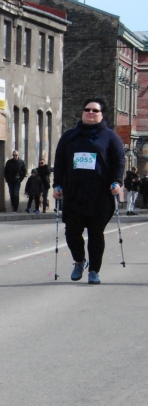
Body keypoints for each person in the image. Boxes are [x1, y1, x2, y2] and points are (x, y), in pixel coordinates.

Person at [52, 97, 125, 285]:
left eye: (95, 111)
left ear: (102, 114)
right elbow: (60, 163)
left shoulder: (110, 137)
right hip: (75, 193)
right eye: (87, 110)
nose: (90, 113)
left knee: (95, 233)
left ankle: (94, 271)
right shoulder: (70, 137)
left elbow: (119, 162)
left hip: (100, 195)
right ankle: (79, 261)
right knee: (72, 232)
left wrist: (117, 182)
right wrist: (57, 185)